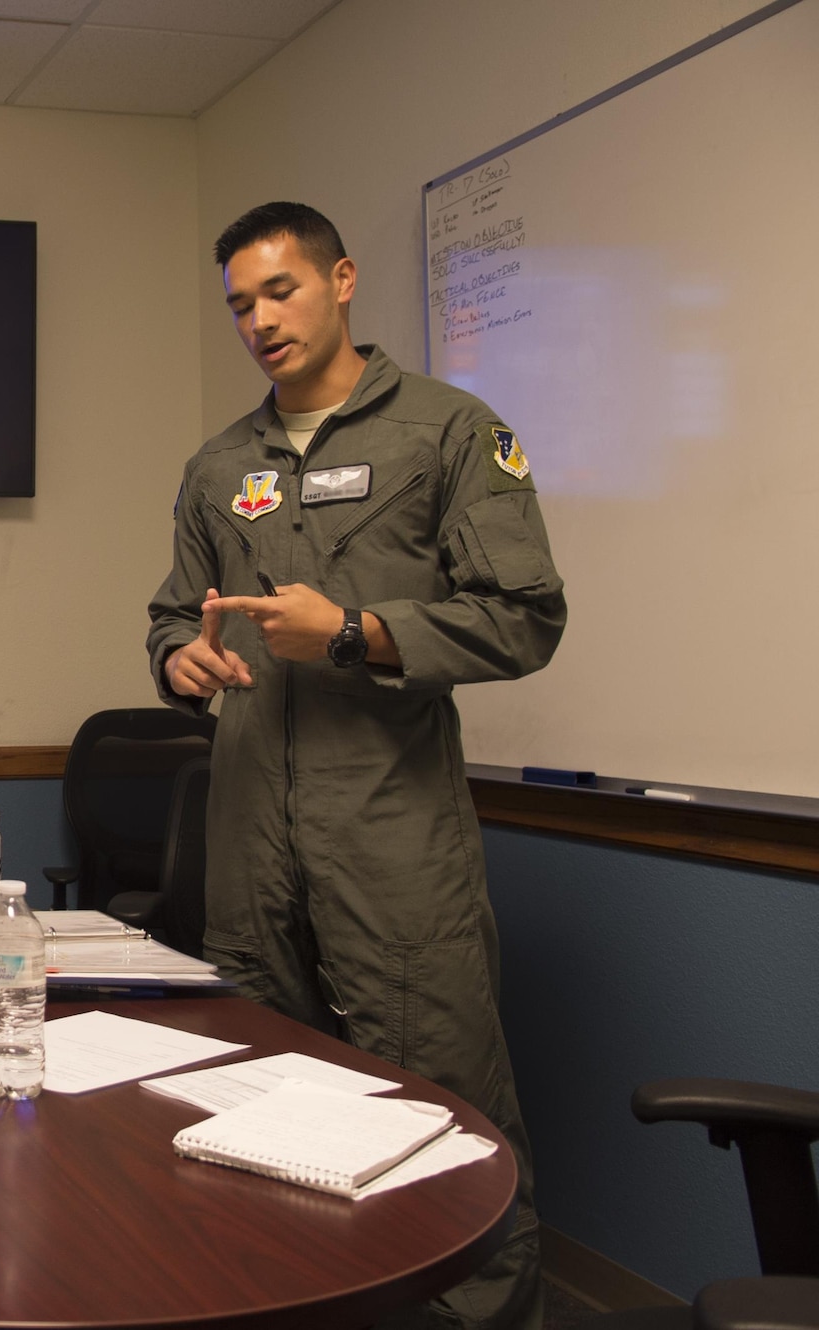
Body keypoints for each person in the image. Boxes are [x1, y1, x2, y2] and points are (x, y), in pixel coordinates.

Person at [145, 203, 566, 1330]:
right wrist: (178, 659)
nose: (258, 320)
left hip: (387, 835)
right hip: (250, 843)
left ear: (338, 281)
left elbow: (524, 618)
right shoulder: (217, 464)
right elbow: (167, 616)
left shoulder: (446, 431)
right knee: (262, 1113)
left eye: (278, 291)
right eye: (238, 303)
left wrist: (354, 632)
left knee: (442, 1121)